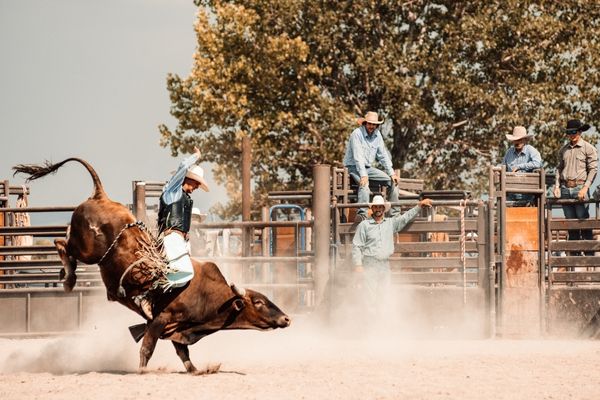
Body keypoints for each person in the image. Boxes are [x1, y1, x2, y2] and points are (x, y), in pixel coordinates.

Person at [135, 147, 209, 319]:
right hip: (170, 238)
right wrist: (196, 156)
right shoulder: (173, 191)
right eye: (196, 183)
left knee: (187, 275)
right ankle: (146, 297)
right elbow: (183, 165)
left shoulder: (182, 195)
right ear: (187, 178)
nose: (196, 187)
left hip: (179, 241)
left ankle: (163, 307)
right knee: (184, 272)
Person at [352, 195, 433, 308]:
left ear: (384, 208)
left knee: (384, 294)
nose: (378, 209)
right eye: (376, 207)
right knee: (369, 296)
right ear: (372, 208)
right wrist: (358, 264)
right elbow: (357, 245)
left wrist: (419, 205)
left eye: (381, 207)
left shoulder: (390, 223)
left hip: (384, 264)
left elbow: (405, 218)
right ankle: (370, 321)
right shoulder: (364, 225)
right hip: (369, 263)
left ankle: (381, 320)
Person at [343, 111, 400, 223]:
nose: (371, 126)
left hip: (368, 168)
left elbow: (383, 155)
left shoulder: (377, 135)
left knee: (393, 182)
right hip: (353, 166)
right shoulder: (357, 134)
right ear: (365, 123)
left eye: (374, 124)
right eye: (369, 124)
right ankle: (362, 215)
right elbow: (358, 157)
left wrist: (392, 173)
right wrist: (363, 175)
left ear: (377, 125)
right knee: (365, 185)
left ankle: (395, 214)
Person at [553, 119, 597, 254]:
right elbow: (558, 169)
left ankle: (589, 258)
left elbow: (593, 169)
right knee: (571, 225)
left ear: (580, 132)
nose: (571, 135)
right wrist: (557, 186)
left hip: (580, 188)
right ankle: (574, 258)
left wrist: (585, 188)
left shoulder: (589, 148)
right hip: (565, 188)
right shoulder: (563, 150)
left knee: (583, 223)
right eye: (569, 132)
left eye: (574, 132)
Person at [502, 125, 543, 205]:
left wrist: (519, 166)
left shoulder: (531, 150)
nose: (517, 142)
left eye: (520, 140)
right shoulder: (509, 153)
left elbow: (538, 163)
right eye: (516, 140)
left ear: (525, 140)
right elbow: (503, 167)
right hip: (511, 194)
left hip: (528, 195)